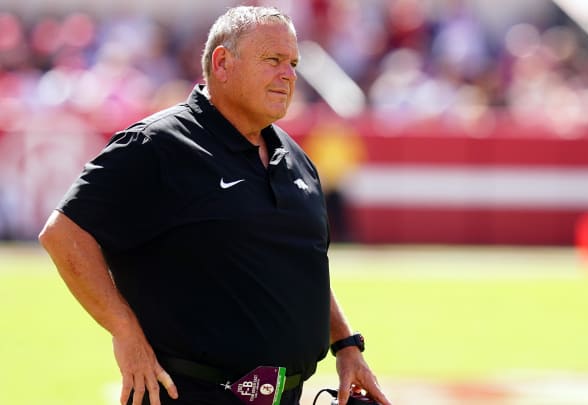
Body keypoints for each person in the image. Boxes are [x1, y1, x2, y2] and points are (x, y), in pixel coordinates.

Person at [38, 6, 391, 405]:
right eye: (272, 60)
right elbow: (64, 233)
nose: (289, 74)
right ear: (222, 63)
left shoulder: (294, 156)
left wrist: (345, 344)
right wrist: (125, 331)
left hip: (285, 396)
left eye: (293, 62)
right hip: (190, 392)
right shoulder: (159, 145)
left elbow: (301, 267)